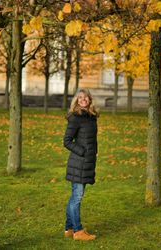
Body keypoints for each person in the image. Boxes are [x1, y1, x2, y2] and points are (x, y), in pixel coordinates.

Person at [63, 88, 99, 241]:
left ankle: (69, 229)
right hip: (79, 162)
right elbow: (66, 141)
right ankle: (78, 231)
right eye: (80, 98)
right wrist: (83, 152)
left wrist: (95, 151)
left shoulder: (91, 116)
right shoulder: (76, 117)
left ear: (90, 99)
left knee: (74, 197)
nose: (83, 100)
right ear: (76, 100)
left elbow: (92, 139)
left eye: (86, 97)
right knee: (77, 197)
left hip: (87, 162)